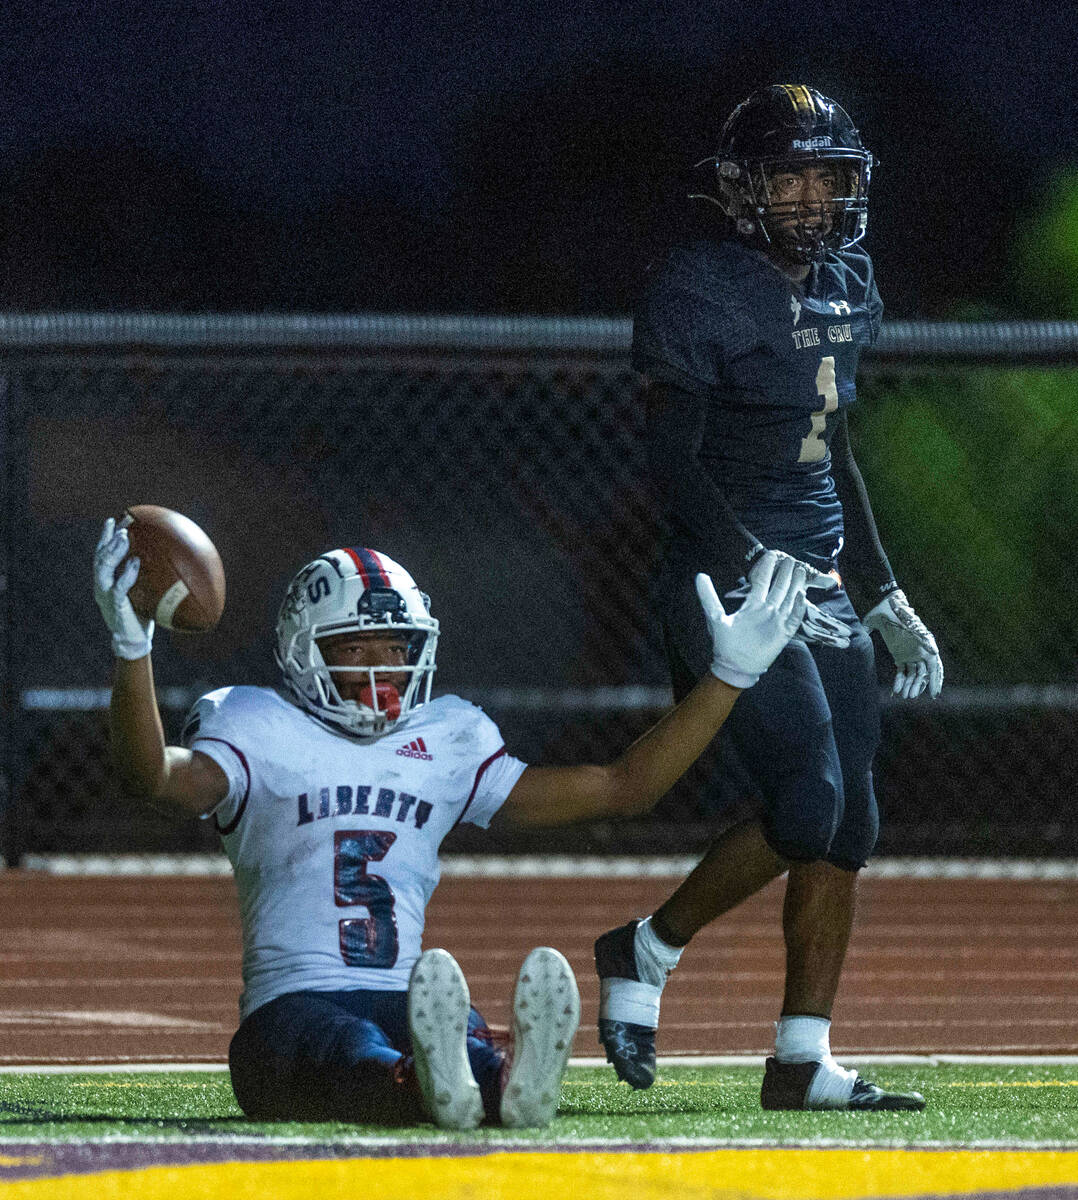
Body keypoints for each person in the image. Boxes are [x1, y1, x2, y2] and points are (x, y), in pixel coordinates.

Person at [93, 518, 810, 1129]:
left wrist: (729, 678)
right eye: (355, 649)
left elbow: (624, 788)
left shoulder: (444, 738)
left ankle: (489, 1077)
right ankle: (450, 1080)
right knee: (345, 1048)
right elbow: (150, 775)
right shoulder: (256, 725)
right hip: (292, 1008)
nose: (382, 670)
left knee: (449, 1044)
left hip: (409, 996)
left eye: (397, 649)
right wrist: (133, 654)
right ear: (303, 650)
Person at [594, 84, 942, 1112]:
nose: (812, 196)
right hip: (725, 578)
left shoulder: (846, 283)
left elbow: (832, 452)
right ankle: (645, 950)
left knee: (852, 820)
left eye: (828, 175)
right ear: (741, 189)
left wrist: (879, 589)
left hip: (821, 579)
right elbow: (667, 462)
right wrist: (752, 561)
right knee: (806, 804)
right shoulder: (698, 287)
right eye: (789, 174)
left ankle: (800, 1059)